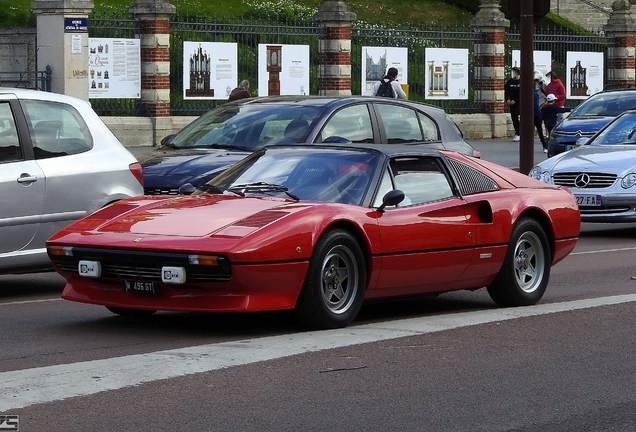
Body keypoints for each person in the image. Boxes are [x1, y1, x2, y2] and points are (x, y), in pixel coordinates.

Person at [504, 66, 521, 141]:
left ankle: (520, 133)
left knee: (518, 117)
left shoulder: (521, 82)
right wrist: (507, 99)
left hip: (519, 103)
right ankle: (518, 133)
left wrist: (516, 100)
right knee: (514, 118)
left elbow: (522, 93)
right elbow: (506, 92)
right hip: (511, 103)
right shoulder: (509, 82)